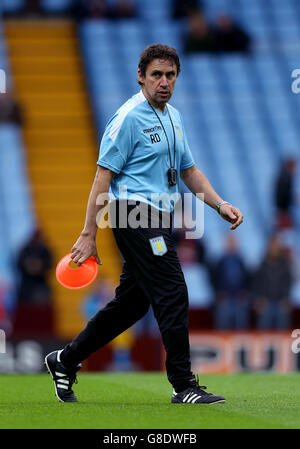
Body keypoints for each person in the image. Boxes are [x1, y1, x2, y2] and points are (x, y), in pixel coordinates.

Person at [45, 43, 243, 404]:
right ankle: (183, 385)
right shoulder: (128, 119)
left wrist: (220, 204)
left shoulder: (174, 117)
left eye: (170, 75)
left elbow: (190, 171)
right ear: (141, 76)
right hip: (132, 214)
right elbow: (102, 177)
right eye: (156, 75)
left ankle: (65, 360)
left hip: (160, 218)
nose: (164, 82)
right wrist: (88, 234)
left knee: (132, 305)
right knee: (172, 290)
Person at [210, 234, 250, 330]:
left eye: (233, 242)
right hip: (224, 299)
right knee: (223, 329)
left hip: (239, 299)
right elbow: (213, 279)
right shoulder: (220, 261)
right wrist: (218, 292)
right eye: (230, 242)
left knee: (241, 329)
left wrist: (245, 292)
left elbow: (248, 279)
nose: (232, 245)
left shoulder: (241, 261)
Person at [252, 234, 292, 330]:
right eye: (272, 246)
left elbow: (288, 282)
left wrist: (286, 298)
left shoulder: (285, 265)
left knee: (282, 329)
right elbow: (256, 283)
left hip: (280, 302)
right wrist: (258, 299)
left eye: (275, 246)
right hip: (265, 302)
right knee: (263, 331)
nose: (274, 248)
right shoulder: (262, 265)